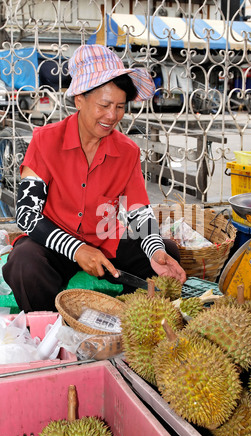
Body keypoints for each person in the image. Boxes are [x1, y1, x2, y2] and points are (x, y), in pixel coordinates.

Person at [3, 44, 186, 312]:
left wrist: (156, 251)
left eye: (120, 107)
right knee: (23, 262)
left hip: (103, 242)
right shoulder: (46, 140)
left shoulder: (127, 151)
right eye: (104, 105)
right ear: (79, 99)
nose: (112, 116)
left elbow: (139, 212)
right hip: (53, 242)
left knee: (167, 254)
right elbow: (28, 215)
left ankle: (130, 316)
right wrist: (77, 250)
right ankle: (51, 326)